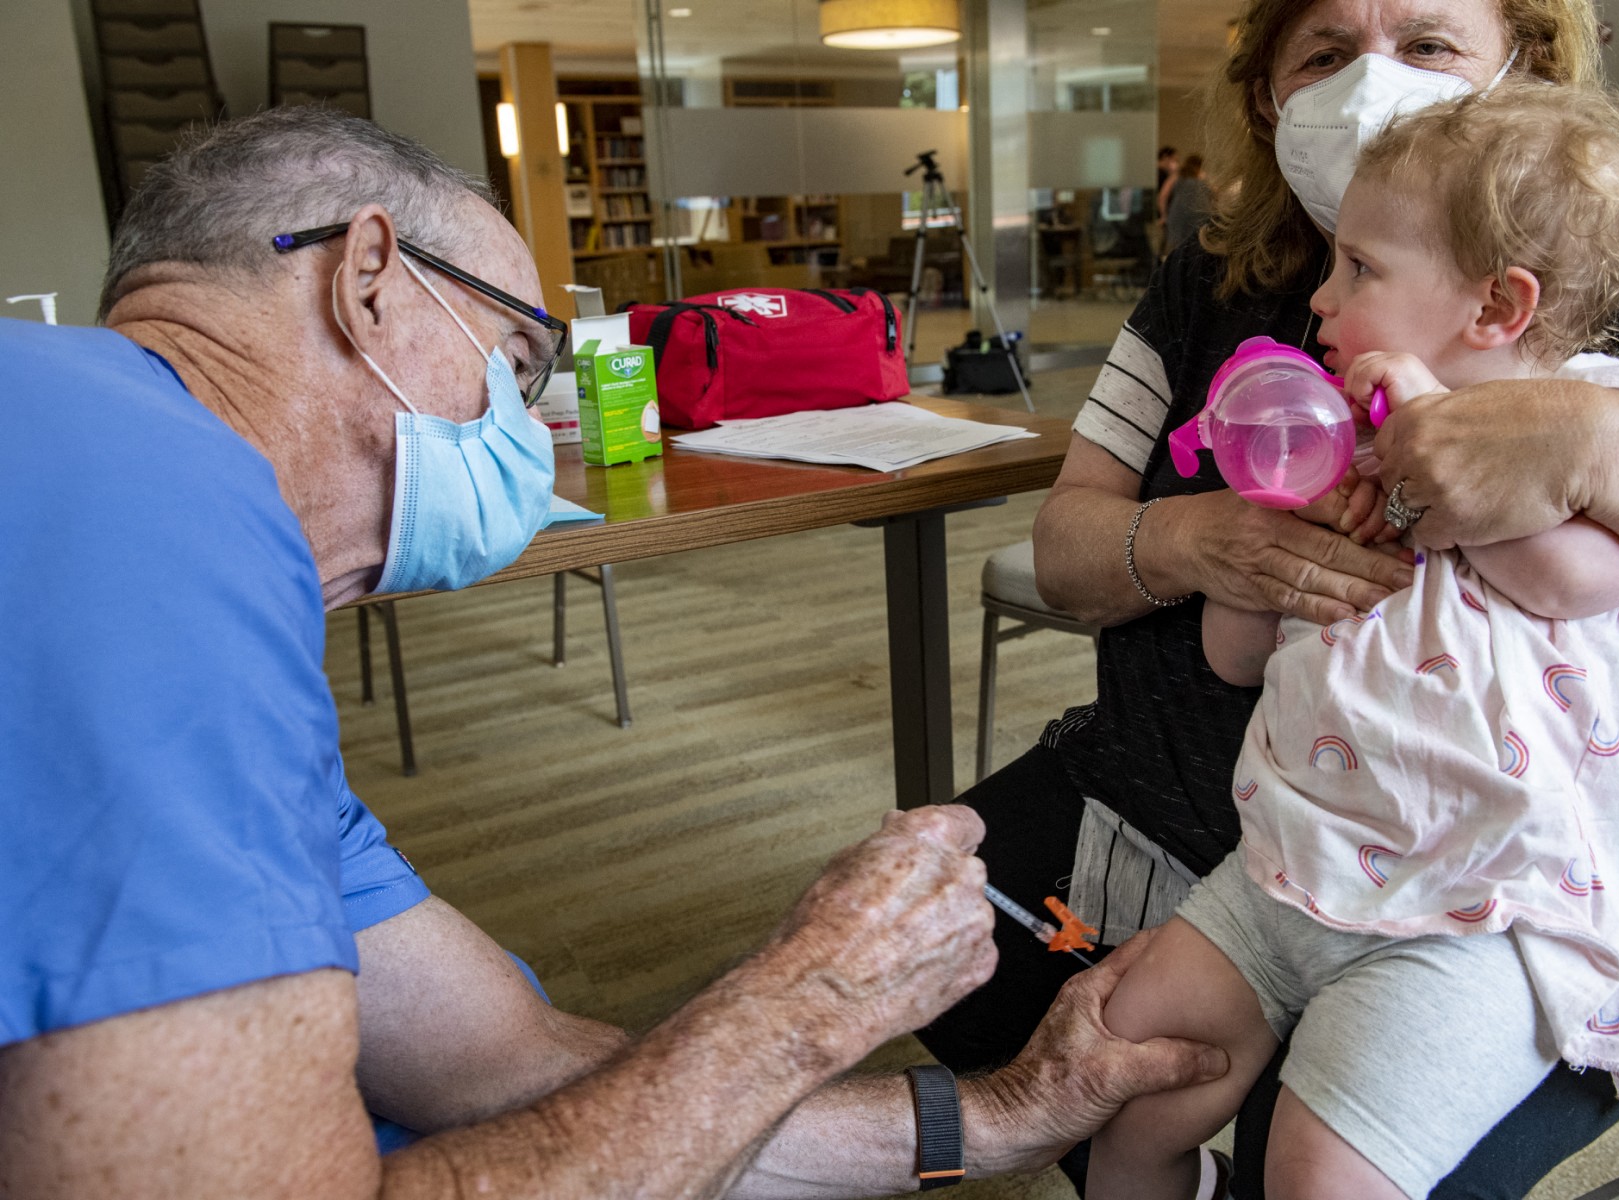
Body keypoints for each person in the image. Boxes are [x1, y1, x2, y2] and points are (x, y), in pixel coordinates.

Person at [0, 105, 1228, 1197]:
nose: (527, 440)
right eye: (516, 365)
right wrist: (797, 1008)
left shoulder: (116, 483)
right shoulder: (149, 504)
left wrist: (1006, 1118)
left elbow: (505, 1058)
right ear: (369, 276)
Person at [918, 1, 1619, 1196]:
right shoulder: (1220, 277)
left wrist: (1573, 444)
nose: (1371, 82)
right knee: (967, 957)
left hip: (1483, 880)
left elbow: (1616, 579)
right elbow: (1094, 555)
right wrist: (1212, 541)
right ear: (1270, 92)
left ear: (1525, 63)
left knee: (1321, 1148)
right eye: (1325, 53)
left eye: (1429, 42)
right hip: (1261, 836)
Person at [1089, 81, 1619, 1200]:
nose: (1320, 300)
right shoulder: (1331, 442)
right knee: (1120, 1082)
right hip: (1279, 876)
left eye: (1360, 269)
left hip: (1476, 918)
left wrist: (1430, 451)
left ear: (1496, 308)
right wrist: (1269, 536)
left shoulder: (1602, 413)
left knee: (1321, 1178)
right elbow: (1237, 656)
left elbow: (1580, 584)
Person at [1162, 154, 1213, 256]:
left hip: (1178, 215)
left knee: (1176, 249)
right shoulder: (1203, 176)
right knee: (1197, 249)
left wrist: (1164, 215)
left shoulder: (1177, 176)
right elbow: (1216, 194)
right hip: (1200, 214)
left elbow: (1163, 196)